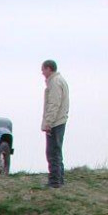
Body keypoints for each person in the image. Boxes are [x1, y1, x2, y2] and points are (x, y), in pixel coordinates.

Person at [40, 60, 69, 188]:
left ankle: (55, 181)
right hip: (60, 120)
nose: (42, 72)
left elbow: (54, 104)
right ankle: (59, 179)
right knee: (56, 151)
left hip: (56, 122)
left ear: (49, 69)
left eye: (43, 69)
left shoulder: (55, 83)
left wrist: (48, 123)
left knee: (52, 152)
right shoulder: (59, 80)